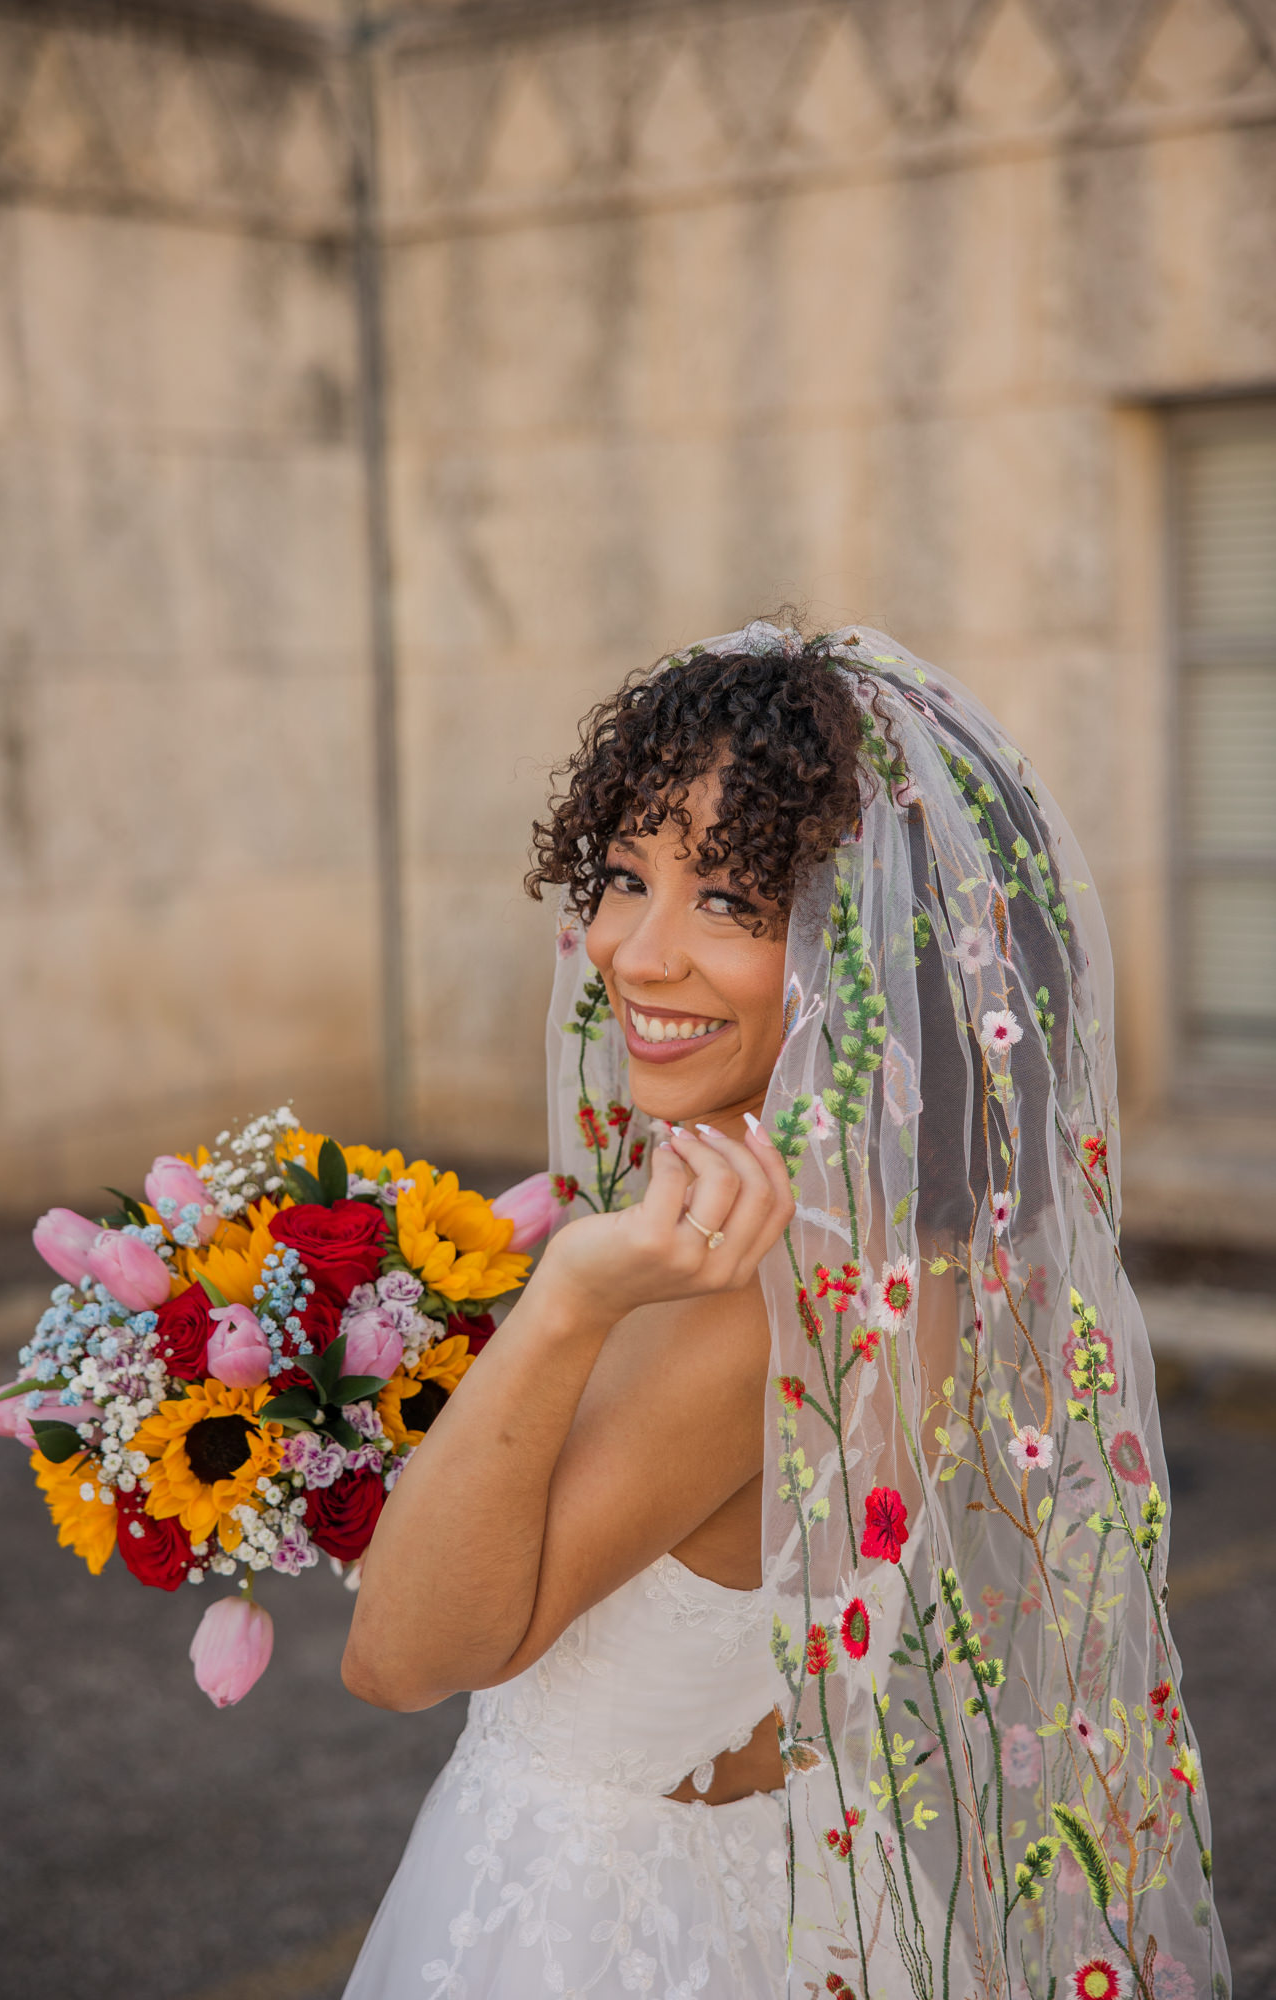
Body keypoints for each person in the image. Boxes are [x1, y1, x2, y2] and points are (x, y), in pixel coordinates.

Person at [340, 624, 1228, 2000]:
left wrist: (568, 1299)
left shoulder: (739, 1296)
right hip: (776, 1884)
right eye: (627, 879)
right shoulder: (903, 1249)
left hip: (584, 1924)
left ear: (867, 953)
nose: (634, 953)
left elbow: (403, 1657)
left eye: (731, 904)